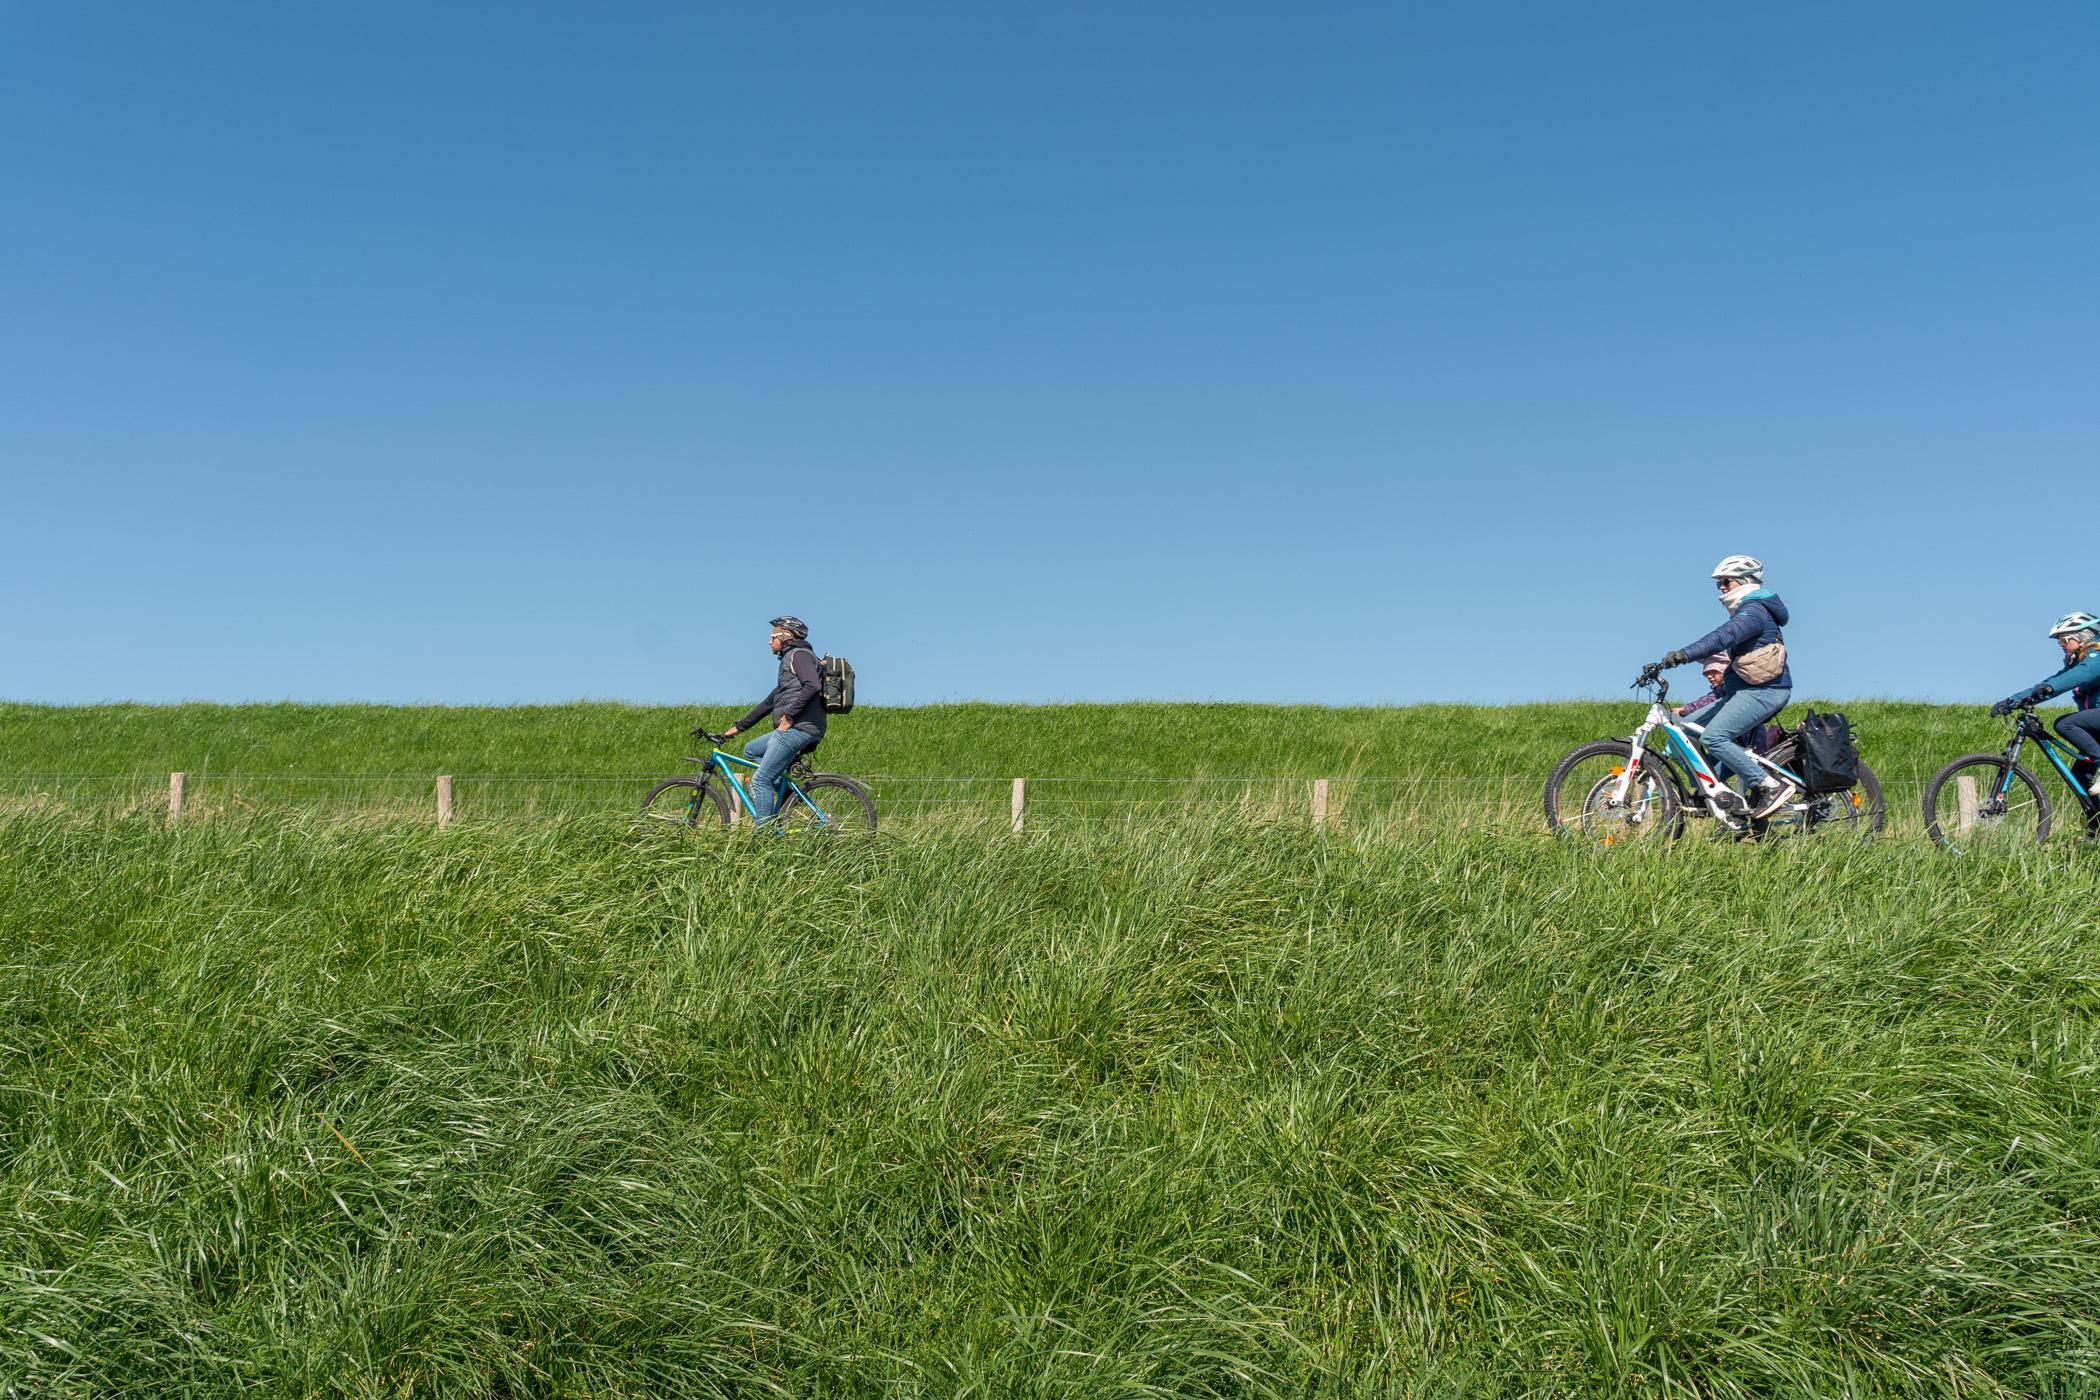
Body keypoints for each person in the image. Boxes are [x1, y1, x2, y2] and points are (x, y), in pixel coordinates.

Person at [1647, 555, 1792, 817]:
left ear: (1745, 582)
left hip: (1766, 692)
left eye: (1726, 582)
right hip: (1744, 691)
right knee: (1686, 731)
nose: (1722, 588)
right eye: (1719, 584)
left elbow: (1724, 636)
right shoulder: (1749, 610)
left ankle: (1769, 785)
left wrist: (1683, 654)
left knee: (1714, 738)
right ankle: (1713, 794)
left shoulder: (1755, 611)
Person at [714, 615, 827, 825]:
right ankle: (787, 796)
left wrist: (789, 716)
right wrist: (738, 728)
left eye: (773, 636)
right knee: (751, 750)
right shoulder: (789, 661)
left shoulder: (799, 655)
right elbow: (769, 703)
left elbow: (813, 685)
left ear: (785, 636)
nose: (769, 641)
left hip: (800, 728)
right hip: (802, 727)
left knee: (759, 782)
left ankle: (764, 838)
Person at [1991, 612, 2100, 823]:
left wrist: (2050, 687)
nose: (2061, 645)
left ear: (2081, 636)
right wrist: (2013, 700)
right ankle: (2094, 830)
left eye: (2063, 639)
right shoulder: (2080, 662)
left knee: (2066, 723)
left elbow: (2080, 676)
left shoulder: (2097, 656)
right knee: (2079, 778)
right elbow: (2053, 682)